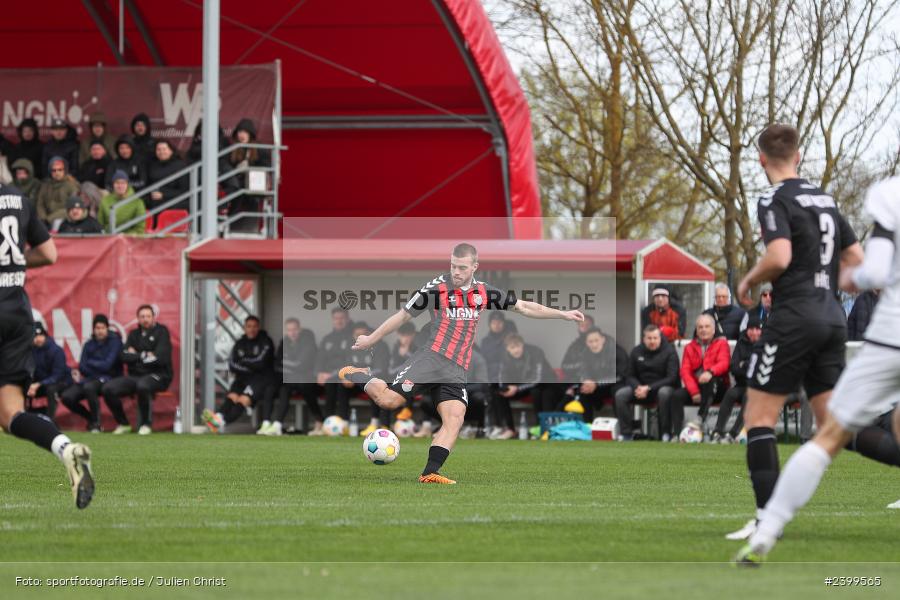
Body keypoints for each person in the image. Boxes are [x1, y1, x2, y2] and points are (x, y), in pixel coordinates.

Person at [733, 175, 900, 565]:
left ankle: (767, 528)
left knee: (823, 437)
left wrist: (850, 280)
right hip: (831, 321)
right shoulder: (824, 200)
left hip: (885, 336)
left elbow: (870, 272)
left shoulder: (890, 194)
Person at [338, 243, 584, 484]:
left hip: (455, 369)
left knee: (455, 418)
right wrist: (371, 338)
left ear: (475, 267)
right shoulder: (435, 289)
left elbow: (524, 307)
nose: (456, 272)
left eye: (462, 267)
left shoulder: (484, 292)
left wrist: (561, 313)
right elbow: (403, 316)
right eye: (453, 266)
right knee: (388, 401)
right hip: (431, 359)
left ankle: (430, 473)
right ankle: (358, 374)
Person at [726, 123, 864, 543]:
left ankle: (768, 519)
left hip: (794, 317)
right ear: (799, 155)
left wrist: (749, 280)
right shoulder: (825, 199)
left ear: (762, 159)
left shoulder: (772, 197)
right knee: (833, 425)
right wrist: (831, 285)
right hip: (831, 317)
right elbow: (855, 261)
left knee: (759, 417)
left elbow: (779, 255)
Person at [0, 179, 93, 508]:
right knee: (11, 414)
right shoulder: (18, 200)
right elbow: (48, 253)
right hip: (16, 314)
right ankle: (65, 449)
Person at [102, 305, 173, 435]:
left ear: (153, 317)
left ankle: (146, 424)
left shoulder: (162, 332)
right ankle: (124, 423)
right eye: (142, 316)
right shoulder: (134, 334)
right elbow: (123, 356)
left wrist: (135, 355)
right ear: (138, 319)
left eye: (148, 316)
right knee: (108, 389)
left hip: (159, 375)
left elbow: (160, 358)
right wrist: (144, 355)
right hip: (135, 376)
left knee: (143, 385)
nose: (145, 319)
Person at [203, 316, 275, 434]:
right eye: (249, 326)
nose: (252, 329)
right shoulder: (240, 343)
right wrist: (250, 367)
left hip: (259, 380)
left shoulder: (265, 341)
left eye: (254, 326)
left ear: (258, 327)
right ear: (244, 328)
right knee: (232, 397)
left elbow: (261, 363)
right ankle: (219, 417)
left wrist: (244, 361)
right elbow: (232, 364)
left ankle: (220, 422)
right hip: (242, 379)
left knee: (242, 400)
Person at [615, 324, 679, 441]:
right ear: (643, 339)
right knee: (621, 394)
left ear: (660, 338)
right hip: (640, 389)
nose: (652, 341)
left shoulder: (670, 351)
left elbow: (672, 378)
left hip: (662, 388)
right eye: (649, 338)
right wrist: (638, 387)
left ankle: (665, 433)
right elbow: (629, 375)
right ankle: (626, 433)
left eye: (655, 338)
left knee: (664, 393)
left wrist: (648, 388)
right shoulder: (636, 351)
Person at [492, 332, 561, 439]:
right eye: (512, 347)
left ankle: (542, 429)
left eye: (518, 346)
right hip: (522, 386)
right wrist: (505, 388)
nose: (516, 350)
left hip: (543, 384)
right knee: (498, 393)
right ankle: (509, 429)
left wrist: (517, 388)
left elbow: (537, 379)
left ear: (522, 345)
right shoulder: (504, 358)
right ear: (507, 349)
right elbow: (501, 377)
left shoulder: (536, 352)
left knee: (538, 391)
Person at [60, 314, 122, 432]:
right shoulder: (88, 344)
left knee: (90, 388)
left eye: (103, 328)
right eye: (97, 328)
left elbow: (108, 365)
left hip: (108, 378)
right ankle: (91, 418)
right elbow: (82, 367)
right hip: (90, 378)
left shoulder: (115, 342)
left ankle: (97, 424)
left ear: (107, 328)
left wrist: (92, 362)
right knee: (67, 397)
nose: (100, 331)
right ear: (93, 329)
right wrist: (98, 365)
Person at [670, 314, 730, 435]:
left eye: (707, 327)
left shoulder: (722, 344)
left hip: (718, 387)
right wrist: (694, 392)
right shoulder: (689, 347)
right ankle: (677, 434)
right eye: (700, 327)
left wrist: (710, 372)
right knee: (676, 395)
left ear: (713, 329)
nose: (703, 330)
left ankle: (700, 419)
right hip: (697, 389)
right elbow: (685, 371)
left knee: (710, 381)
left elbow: (724, 363)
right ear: (696, 330)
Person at [709, 313, 762, 443]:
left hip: (758, 388)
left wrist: (745, 364)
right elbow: (733, 368)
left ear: (761, 330)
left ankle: (733, 434)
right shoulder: (741, 342)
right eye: (751, 329)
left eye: (757, 329)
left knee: (748, 397)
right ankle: (718, 431)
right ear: (747, 330)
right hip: (742, 384)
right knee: (730, 393)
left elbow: (760, 369)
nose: (754, 332)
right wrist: (747, 366)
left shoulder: (766, 344)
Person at [567, 327, 629, 422]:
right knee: (583, 391)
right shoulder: (585, 353)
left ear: (603, 340)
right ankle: (586, 428)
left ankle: (622, 429)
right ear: (586, 343)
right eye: (590, 342)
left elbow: (621, 376)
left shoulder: (617, 351)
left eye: (596, 340)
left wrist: (596, 384)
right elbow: (583, 371)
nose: (594, 344)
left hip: (616, 384)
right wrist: (587, 381)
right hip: (596, 387)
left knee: (617, 391)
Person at [273, 317, 322, 436]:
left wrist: (289, 365)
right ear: (286, 331)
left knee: (305, 386)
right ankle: (277, 425)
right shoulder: (284, 342)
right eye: (289, 330)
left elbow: (303, 365)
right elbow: (277, 363)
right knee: (283, 389)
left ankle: (319, 421)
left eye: (294, 329)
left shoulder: (308, 340)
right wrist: (293, 366)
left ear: (299, 329)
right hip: (291, 380)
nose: (292, 332)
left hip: (309, 380)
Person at [346, 322, 390, 437]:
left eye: (362, 335)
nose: (359, 338)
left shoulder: (381, 346)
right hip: (356, 383)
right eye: (357, 335)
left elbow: (381, 369)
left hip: (375, 381)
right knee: (340, 385)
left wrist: (362, 373)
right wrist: (347, 376)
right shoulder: (351, 347)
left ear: (369, 334)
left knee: (373, 384)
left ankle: (375, 423)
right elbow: (346, 367)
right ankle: (343, 423)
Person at [227, 119, 271, 232]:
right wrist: (237, 170)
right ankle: (233, 227)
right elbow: (228, 168)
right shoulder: (234, 150)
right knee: (236, 193)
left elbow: (267, 167)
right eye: (239, 132)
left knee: (250, 197)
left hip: (255, 187)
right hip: (238, 187)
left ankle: (250, 228)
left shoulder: (259, 149)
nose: (241, 135)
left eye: (245, 132)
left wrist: (250, 167)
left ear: (250, 134)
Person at [26, 322, 72, 422]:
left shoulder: (56, 350)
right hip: (41, 384)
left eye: (41, 335)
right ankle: (23, 419)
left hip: (62, 382)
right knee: (22, 388)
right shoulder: (31, 351)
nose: (38, 339)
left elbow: (58, 375)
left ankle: (50, 421)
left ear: (45, 335)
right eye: (35, 336)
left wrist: (38, 384)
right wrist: (30, 385)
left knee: (51, 390)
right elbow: (29, 370)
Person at [315, 308, 353, 420]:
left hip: (347, 378)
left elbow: (353, 360)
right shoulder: (327, 339)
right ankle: (328, 423)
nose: (339, 321)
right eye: (336, 318)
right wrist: (319, 373)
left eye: (342, 318)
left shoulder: (352, 337)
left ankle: (344, 423)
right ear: (332, 320)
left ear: (347, 319)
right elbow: (320, 358)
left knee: (341, 385)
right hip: (330, 379)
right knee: (329, 384)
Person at [146, 140, 188, 223]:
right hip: (153, 200)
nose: (161, 152)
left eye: (164, 149)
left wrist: (164, 195)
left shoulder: (180, 166)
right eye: (158, 149)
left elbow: (185, 191)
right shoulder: (152, 165)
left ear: (171, 151)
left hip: (173, 202)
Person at [37, 156, 80, 228]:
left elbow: (70, 208)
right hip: (46, 219)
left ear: (65, 171)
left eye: (60, 170)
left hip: (64, 219)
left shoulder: (72, 186)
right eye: (54, 170)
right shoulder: (45, 185)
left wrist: (48, 219)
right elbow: (40, 204)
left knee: (57, 223)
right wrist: (43, 219)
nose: (57, 173)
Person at [560, 314, 595, 382]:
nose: (585, 327)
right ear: (578, 327)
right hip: (576, 380)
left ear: (593, 326)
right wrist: (581, 364)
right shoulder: (574, 346)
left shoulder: (605, 341)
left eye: (587, 325)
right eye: (581, 325)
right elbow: (564, 366)